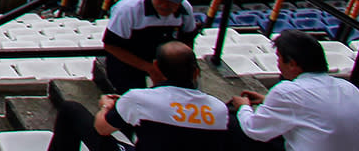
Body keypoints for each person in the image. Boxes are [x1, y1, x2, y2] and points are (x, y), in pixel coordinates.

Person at [47, 42, 229, 151]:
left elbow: (102, 129)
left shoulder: (138, 98)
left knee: (71, 110)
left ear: (156, 67)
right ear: (196, 72)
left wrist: (106, 106)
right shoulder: (219, 109)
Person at [230, 30, 359, 150]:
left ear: (292, 64)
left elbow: (254, 129)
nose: (278, 64)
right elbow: (318, 111)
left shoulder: (286, 92)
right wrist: (268, 101)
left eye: (279, 59)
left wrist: (243, 106)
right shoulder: (349, 88)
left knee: (233, 122)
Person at [100, 0, 201, 92]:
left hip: (166, 58)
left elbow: (188, 39)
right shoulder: (128, 9)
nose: (165, 5)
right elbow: (111, 45)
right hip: (130, 58)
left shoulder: (185, 9)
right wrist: (150, 69)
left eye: (171, 1)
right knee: (133, 96)